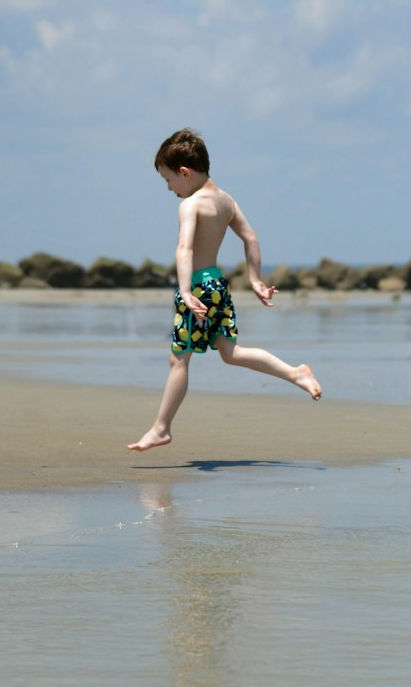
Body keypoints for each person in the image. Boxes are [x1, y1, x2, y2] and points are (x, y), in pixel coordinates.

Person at [128, 128, 321, 452]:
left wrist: (186, 291)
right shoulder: (226, 200)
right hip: (218, 285)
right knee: (232, 353)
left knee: (179, 361)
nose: (170, 188)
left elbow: (185, 250)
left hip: (199, 288)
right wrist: (255, 279)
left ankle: (161, 428)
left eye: (168, 180)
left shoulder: (191, 205)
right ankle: (296, 373)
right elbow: (251, 238)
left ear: (184, 173)